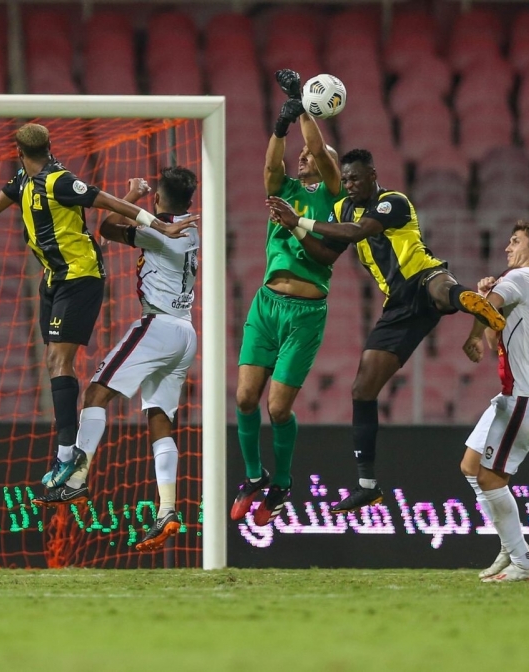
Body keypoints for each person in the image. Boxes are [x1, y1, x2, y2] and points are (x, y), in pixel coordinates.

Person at [0, 123, 197, 497]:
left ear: (18, 150)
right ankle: (71, 460)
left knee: (59, 362)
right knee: (54, 362)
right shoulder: (22, 180)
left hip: (81, 276)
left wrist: (154, 223)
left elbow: (107, 203)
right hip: (53, 279)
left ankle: (67, 455)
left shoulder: (61, 181)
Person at [266, 148, 505, 514]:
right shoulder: (343, 208)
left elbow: (361, 231)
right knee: (362, 389)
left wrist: (300, 219)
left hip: (422, 276)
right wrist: (295, 227)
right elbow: (327, 254)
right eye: (345, 180)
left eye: (356, 178)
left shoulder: (392, 201)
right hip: (397, 305)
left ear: (373, 175)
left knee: (439, 288)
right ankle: (367, 485)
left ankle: (467, 299)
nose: (349, 185)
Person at [32, 167, 199, 553]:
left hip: (157, 325)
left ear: (159, 197)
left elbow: (106, 228)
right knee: (160, 420)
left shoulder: (159, 230)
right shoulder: (191, 230)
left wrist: (132, 196)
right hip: (186, 333)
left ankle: (75, 479)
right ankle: (168, 510)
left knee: (94, 395)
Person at [230, 69, 346, 527]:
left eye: (310, 156)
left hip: (305, 312)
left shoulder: (332, 198)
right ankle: (254, 478)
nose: (303, 158)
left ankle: (282, 481)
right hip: (266, 304)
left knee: (277, 408)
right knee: (243, 399)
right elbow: (269, 168)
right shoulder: (285, 191)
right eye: (297, 155)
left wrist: (301, 103)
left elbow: (319, 148)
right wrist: (280, 126)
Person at [460, 220, 529, 582]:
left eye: (516, 241)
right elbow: (494, 337)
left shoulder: (522, 278)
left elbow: (482, 311)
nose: (507, 247)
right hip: (517, 395)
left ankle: (523, 561)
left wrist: (479, 316)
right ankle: (510, 541)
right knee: (471, 466)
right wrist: (488, 308)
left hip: (526, 396)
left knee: (489, 478)